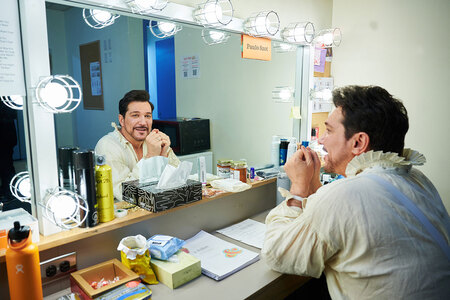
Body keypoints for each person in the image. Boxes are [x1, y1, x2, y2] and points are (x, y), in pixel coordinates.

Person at [262, 85, 450, 299]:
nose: (321, 140)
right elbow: (345, 216)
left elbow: (277, 253)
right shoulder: (416, 179)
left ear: (359, 142)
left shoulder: (344, 196)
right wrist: (313, 182)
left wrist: (298, 188)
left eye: (329, 131)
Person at [95, 90, 172, 200]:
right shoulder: (107, 146)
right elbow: (125, 194)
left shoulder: (153, 141)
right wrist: (151, 157)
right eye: (135, 115)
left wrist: (163, 155)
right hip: (124, 215)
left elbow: (178, 181)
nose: (143, 122)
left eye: (147, 116)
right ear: (121, 120)